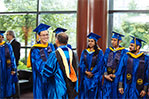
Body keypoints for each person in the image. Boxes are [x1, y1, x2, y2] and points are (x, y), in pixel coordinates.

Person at [40, 32, 78, 99]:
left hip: (58, 85)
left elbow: (48, 72)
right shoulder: (73, 53)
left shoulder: (54, 54)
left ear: (57, 40)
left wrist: (42, 74)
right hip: (71, 84)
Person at [27, 23, 55, 98]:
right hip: (41, 78)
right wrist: (49, 72)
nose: (46, 37)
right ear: (39, 36)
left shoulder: (51, 46)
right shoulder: (35, 49)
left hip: (51, 78)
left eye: (47, 34)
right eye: (43, 35)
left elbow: (55, 60)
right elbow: (38, 64)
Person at [102, 31, 128, 98]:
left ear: (119, 41)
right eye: (112, 40)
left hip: (117, 78)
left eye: (115, 40)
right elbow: (104, 63)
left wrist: (115, 75)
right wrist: (105, 74)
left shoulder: (124, 52)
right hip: (107, 78)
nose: (112, 42)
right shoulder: (108, 50)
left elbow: (123, 67)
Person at [79, 32, 104, 99]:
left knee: (94, 93)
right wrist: (86, 72)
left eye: (92, 41)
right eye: (89, 41)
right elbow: (81, 63)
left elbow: (99, 64)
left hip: (95, 76)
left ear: (95, 42)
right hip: (86, 76)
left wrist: (92, 72)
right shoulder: (84, 52)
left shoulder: (99, 52)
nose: (90, 43)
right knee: (85, 93)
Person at [0, 31, 18, 98]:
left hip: (7, 68)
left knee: (8, 84)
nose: (0, 38)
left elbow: (12, 57)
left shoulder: (7, 46)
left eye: (1, 37)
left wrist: (13, 68)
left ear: (2, 37)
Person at [6, 30, 21, 98]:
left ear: (11, 35)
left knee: (15, 80)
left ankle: (17, 96)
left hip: (13, 66)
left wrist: (14, 66)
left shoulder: (16, 43)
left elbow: (17, 56)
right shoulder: (7, 44)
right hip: (8, 66)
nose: (6, 36)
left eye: (7, 35)